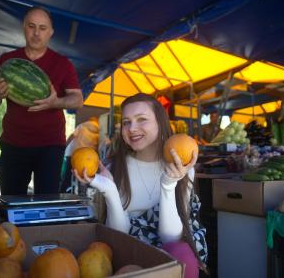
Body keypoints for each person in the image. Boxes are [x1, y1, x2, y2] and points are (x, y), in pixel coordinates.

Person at [74, 93, 207, 278]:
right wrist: (109, 190)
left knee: (184, 254)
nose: (132, 128)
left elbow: (172, 241)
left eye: (141, 119)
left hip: (166, 259)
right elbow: (119, 237)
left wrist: (168, 185)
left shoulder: (183, 168)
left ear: (160, 123)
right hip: (128, 256)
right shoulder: (114, 167)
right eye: (127, 122)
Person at [0, 6, 83, 195]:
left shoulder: (62, 63)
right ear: (24, 27)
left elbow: (77, 100)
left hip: (50, 146)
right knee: (11, 203)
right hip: (13, 143)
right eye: (31, 26)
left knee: (46, 204)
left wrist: (56, 103)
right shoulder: (8, 60)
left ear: (50, 32)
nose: (36, 33)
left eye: (42, 28)